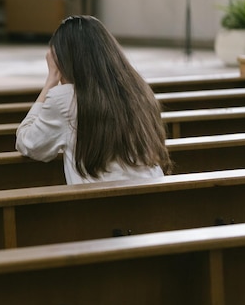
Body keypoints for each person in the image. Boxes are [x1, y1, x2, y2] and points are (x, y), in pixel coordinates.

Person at [16, 15, 172, 184]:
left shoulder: (65, 99)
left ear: (65, 61)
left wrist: (51, 80)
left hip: (100, 207)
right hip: (151, 200)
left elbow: (28, 143)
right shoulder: (138, 92)